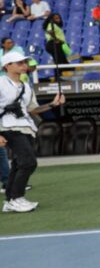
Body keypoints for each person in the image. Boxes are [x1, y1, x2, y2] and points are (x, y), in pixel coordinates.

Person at [0, 52, 62, 213]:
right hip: (7, 127)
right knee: (29, 162)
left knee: (18, 164)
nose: (24, 65)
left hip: (26, 127)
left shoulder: (26, 86)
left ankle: (10, 200)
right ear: (7, 66)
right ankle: (16, 198)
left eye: (24, 62)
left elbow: (32, 109)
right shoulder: (1, 83)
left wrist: (53, 104)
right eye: (19, 63)